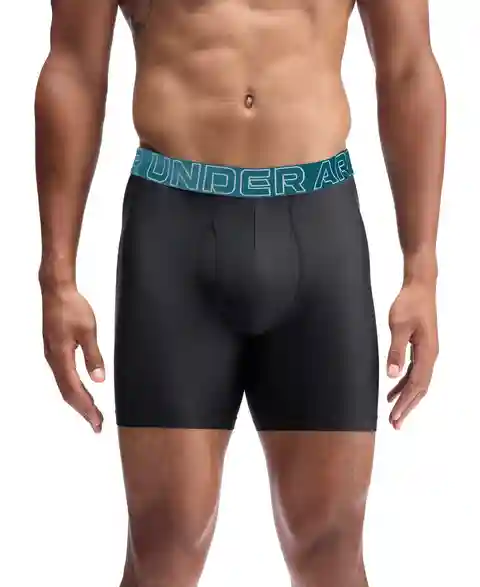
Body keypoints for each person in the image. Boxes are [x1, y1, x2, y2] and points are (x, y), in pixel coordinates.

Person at [35, 1, 445, 586]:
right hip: (174, 231)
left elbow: (408, 67)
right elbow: (73, 68)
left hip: (319, 227)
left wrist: (422, 270)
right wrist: (58, 277)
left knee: (329, 545)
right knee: (165, 543)